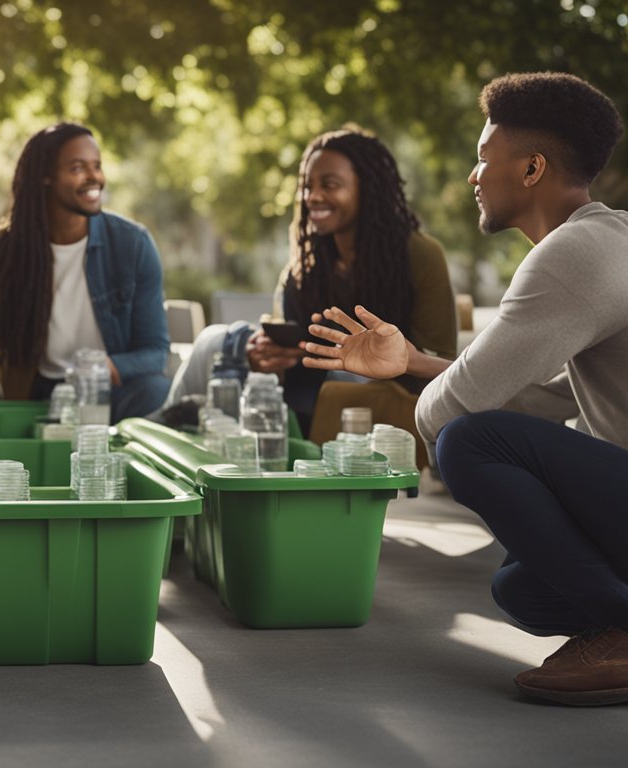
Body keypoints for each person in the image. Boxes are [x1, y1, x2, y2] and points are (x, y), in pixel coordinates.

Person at [302, 73, 628, 706]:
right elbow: (546, 398)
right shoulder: (609, 238)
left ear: (532, 168)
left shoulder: (570, 256)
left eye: (484, 158)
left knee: (467, 442)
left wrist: (428, 389)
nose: (474, 176)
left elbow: (445, 414)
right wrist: (410, 360)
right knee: (522, 589)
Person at [168, 128, 455, 438]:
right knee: (216, 340)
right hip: (302, 385)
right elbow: (285, 332)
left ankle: (197, 421)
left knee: (341, 375)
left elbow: (446, 363)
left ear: (368, 189)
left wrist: (393, 358)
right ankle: (163, 433)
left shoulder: (421, 255)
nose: (313, 196)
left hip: (384, 389)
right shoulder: (305, 264)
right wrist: (268, 351)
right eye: (307, 186)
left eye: (329, 185)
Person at [0, 122, 170, 422]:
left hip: (109, 393)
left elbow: (155, 351)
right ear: (44, 176)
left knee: (155, 389)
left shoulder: (132, 244)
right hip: (35, 396)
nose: (94, 177)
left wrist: (107, 367)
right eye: (77, 168)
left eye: (96, 166)